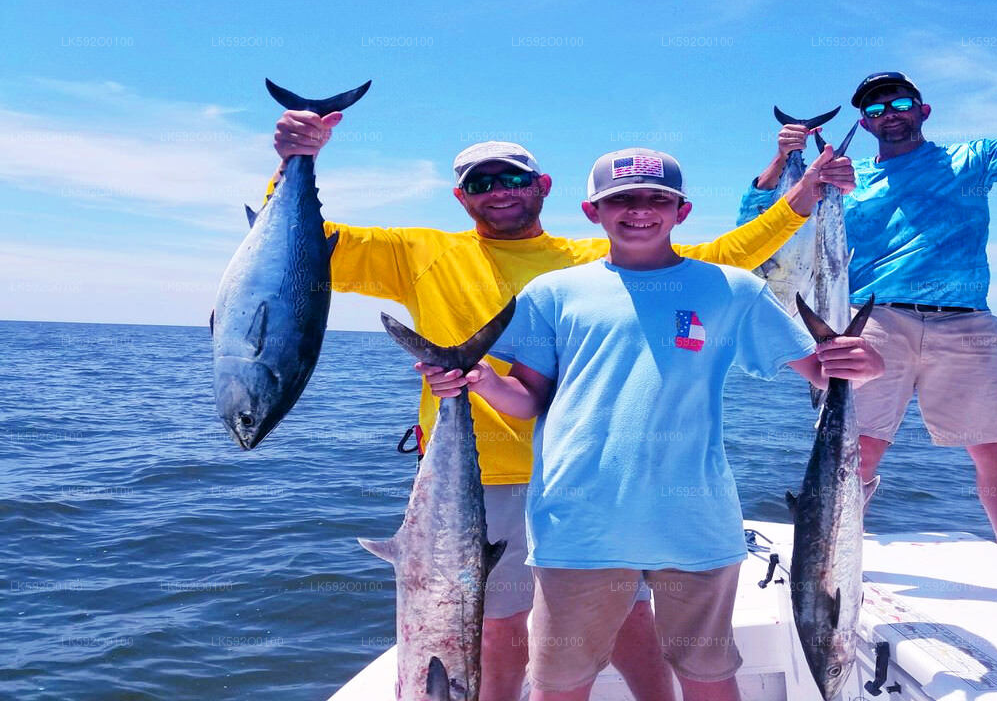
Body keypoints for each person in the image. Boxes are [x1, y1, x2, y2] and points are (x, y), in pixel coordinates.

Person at [269, 111, 853, 700]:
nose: (499, 192)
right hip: (482, 476)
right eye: (480, 183)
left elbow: (720, 260)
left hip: (601, 492)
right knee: (497, 627)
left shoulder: (585, 260)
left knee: (630, 621)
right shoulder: (416, 251)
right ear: (460, 196)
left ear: (543, 187)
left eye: (513, 180)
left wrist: (800, 199)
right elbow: (294, 247)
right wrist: (295, 160)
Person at [419, 147, 885, 701]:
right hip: (577, 524)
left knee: (708, 673)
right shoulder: (553, 294)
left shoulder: (731, 289)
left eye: (657, 199)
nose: (640, 210)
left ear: (682, 211)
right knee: (559, 683)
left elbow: (819, 371)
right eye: (621, 199)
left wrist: (868, 363)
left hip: (696, 522)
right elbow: (526, 400)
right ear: (593, 212)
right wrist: (478, 383)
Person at [736, 61, 997, 556]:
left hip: (965, 321)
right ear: (867, 123)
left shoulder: (974, 158)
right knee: (855, 448)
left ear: (923, 110)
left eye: (899, 103)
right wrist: (785, 159)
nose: (889, 113)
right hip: (872, 316)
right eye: (875, 109)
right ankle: (833, 562)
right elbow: (760, 223)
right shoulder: (846, 181)